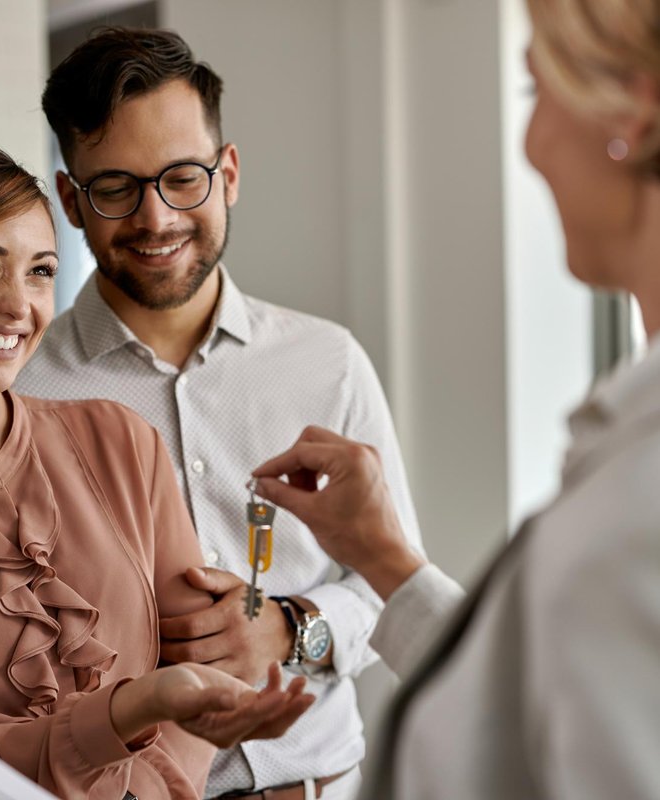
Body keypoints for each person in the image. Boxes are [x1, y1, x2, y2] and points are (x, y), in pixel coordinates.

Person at [252, 0, 660, 796]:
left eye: (536, 91)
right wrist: (382, 556)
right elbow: (530, 706)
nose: (531, 144)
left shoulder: (639, 502)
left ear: (630, 114)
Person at [14, 26, 428, 800]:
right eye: (116, 188)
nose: (156, 218)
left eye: (182, 178)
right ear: (71, 201)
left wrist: (292, 628)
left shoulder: (328, 361)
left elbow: (391, 586)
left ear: (227, 174)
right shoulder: (19, 393)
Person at [0, 140, 315, 800]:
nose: (18, 305)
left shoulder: (122, 441)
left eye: (40, 272)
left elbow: (199, 675)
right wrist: (134, 707)